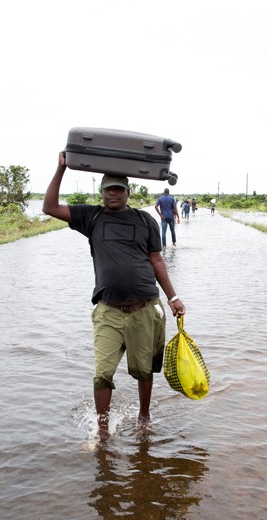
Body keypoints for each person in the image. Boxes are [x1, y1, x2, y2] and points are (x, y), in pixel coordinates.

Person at [43, 152, 186, 441]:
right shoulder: (91, 216)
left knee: (144, 370)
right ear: (102, 192)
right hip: (107, 311)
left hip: (144, 308)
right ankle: (103, 429)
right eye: (108, 189)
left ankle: (144, 415)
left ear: (127, 193)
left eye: (119, 189)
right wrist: (60, 169)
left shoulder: (144, 220)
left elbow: (156, 260)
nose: (113, 194)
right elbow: (49, 207)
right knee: (102, 373)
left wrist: (173, 298)